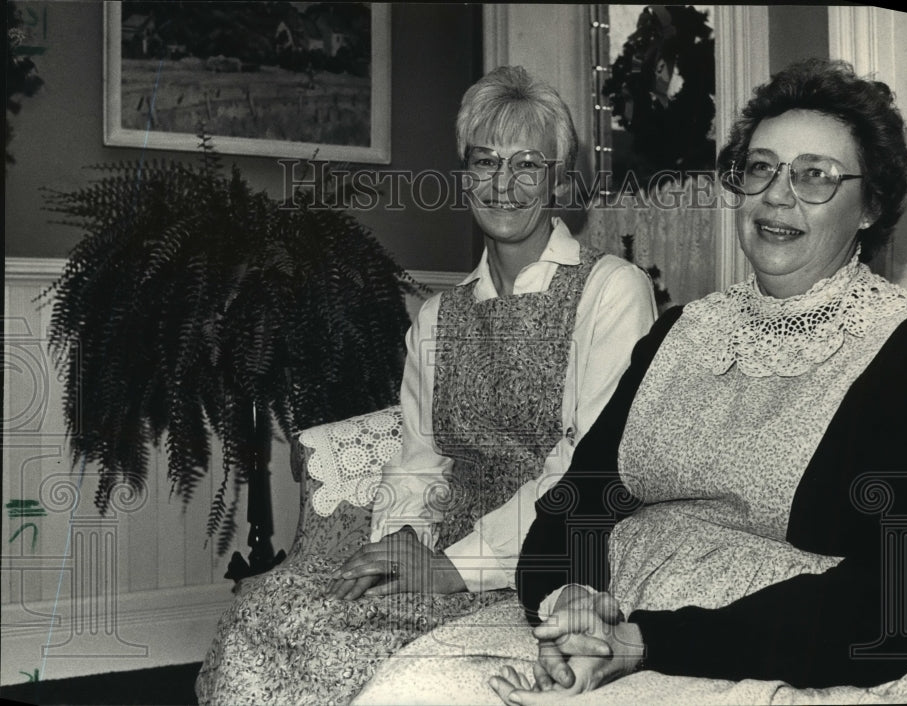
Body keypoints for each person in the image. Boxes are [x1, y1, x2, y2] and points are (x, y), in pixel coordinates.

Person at [353, 58, 907, 705]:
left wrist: (642, 641)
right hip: (610, 626)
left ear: (871, 205)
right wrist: (572, 599)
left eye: (815, 177)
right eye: (761, 168)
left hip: (785, 656)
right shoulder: (681, 332)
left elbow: (896, 607)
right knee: (405, 690)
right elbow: (573, 505)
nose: (778, 194)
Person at [195, 65, 656, 705]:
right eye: (485, 161)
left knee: (339, 649)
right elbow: (418, 457)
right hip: (442, 548)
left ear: (559, 179)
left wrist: (450, 570)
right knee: (266, 608)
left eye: (527, 164)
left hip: (549, 562)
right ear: (464, 174)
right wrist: (402, 540)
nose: (502, 183)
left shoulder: (611, 290)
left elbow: (584, 471)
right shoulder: (440, 315)